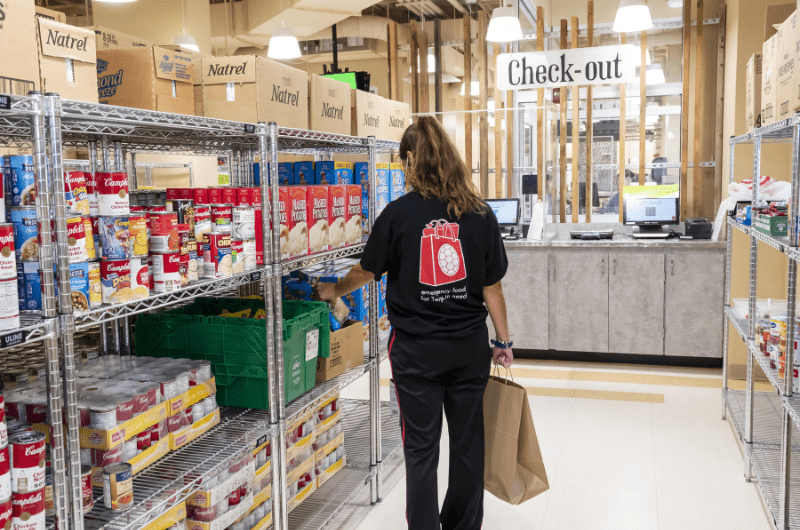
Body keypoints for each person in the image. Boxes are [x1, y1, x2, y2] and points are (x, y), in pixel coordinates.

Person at [319, 116, 513, 530]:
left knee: (421, 451)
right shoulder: (480, 213)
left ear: (410, 159)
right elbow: (492, 288)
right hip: (468, 350)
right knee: (468, 446)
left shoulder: (397, 214)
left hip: (415, 353)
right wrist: (504, 341)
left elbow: (366, 273)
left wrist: (334, 289)